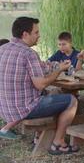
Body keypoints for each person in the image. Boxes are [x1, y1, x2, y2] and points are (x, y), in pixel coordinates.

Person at [0, 17, 79, 155]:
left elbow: (37, 67)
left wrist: (55, 65)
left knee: (52, 95)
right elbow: (40, 85)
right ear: (25, 34)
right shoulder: (29, 53)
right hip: (24, 109)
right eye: (36, 32)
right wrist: (58, 70)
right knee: (71, 101)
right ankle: (58, 143)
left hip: (5, 108)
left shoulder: (3, 48)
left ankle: (38, 137)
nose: (39, 35)